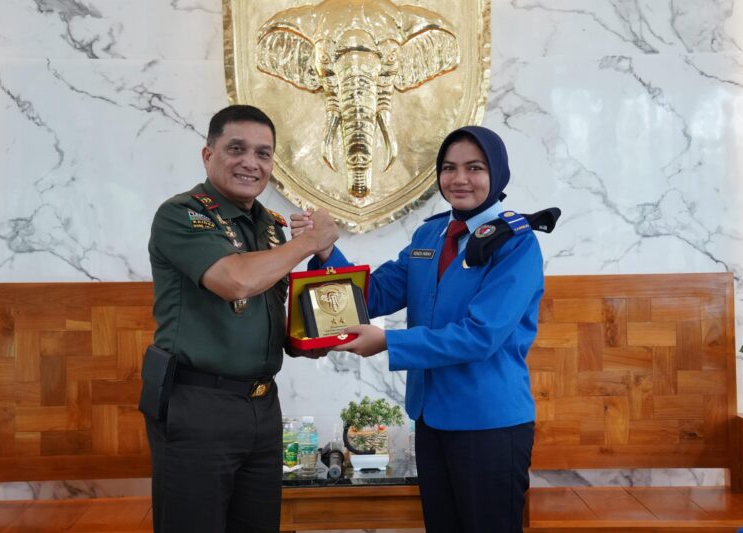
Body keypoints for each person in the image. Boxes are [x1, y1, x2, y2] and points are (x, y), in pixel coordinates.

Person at [291, 125, 544, 533]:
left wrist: (388, 342)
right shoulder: (431, 234)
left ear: (496, 173)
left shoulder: (516, 243)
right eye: (449, 168)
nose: (459, 179)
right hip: (431, 419)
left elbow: (482, 334)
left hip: (489, 422)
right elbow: (373, 292)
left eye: (474, 168)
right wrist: (324, 249)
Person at [144, 104, 338, 533]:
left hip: (261, 406)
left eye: (263, 153)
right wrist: (308, 243)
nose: (251, 162)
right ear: (207, 154)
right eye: (237, 148)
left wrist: (318, 327)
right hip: (198, 405)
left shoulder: (270, 225)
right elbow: (234, 281)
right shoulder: (182, 215)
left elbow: (278, 315)